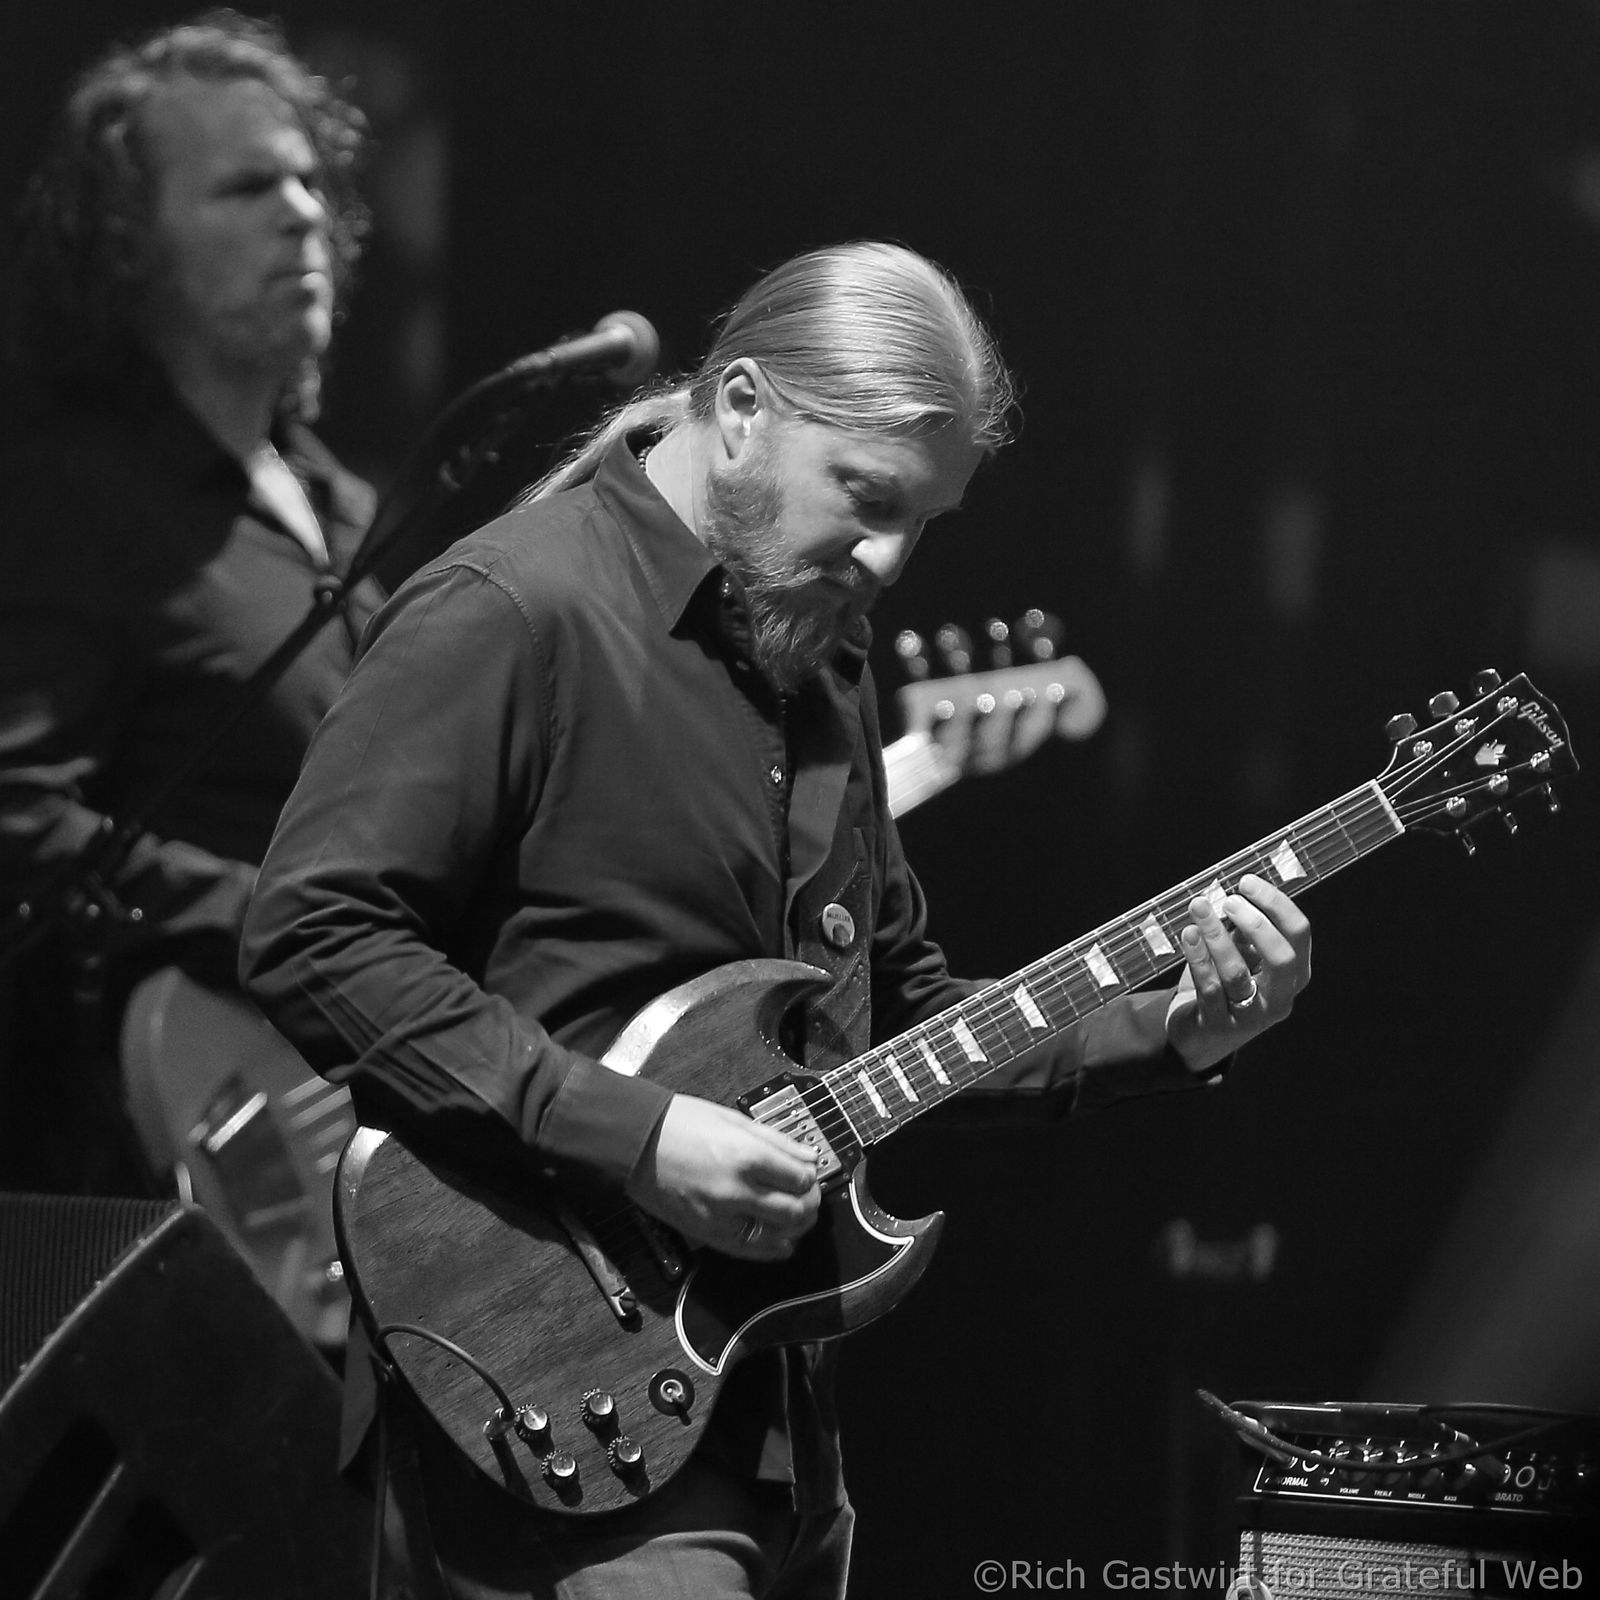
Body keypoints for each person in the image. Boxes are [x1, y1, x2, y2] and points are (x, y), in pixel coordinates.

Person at [239, 241, 1313, 1599]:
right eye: (867, 497)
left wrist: (1180, 1027)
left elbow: (905, 1018)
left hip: (772, 1425)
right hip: (537, 1396)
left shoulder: (821, 660)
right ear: (741, 407)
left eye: (925, 521)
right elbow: (314, 932)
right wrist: (639, 1137)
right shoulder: (516, 606)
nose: (890, 557)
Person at [0, 10, 380, 1203]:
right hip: (157, 1138)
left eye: (310, 182)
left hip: (366, 1121)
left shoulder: (352, 511)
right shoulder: (73, 504)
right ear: (128, 249)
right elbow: (14, 812)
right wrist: (267, 921)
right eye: (247, 188)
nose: (302, 214)